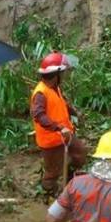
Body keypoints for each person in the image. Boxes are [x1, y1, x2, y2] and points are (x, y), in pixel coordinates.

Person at [30, 51, 86, 197]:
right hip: (51, 140)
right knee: (52, 173)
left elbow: (62, 104)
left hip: (65, 134)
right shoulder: (41, 93)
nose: (64, 76)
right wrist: (59, 127)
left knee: (79, 153)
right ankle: (49, 195)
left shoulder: (54, 88)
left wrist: (75, 112)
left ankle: (69, 179)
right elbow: (38, 115)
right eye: (63, 73)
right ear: (56, 74)